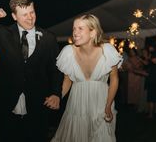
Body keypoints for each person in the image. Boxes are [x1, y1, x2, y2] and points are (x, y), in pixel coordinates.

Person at [0, 0, 63, 142]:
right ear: (14, 16)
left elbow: (56, 69)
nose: (30, 17)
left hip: (38, 104)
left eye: (32, 12)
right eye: (24, 14)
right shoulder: (2, 34)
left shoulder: (48, 37)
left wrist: (56, 93)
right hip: (7, 103)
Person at [51, 14, 123, 142]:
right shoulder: (68, 52)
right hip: (77, 105)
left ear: (93, 32)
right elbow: (67, 80)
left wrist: (108, 105)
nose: (75, 33)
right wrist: (57, 97)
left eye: (80, 29)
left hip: (101, 103)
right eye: (74, 29)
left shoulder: (107, 51)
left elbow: (114, 79)